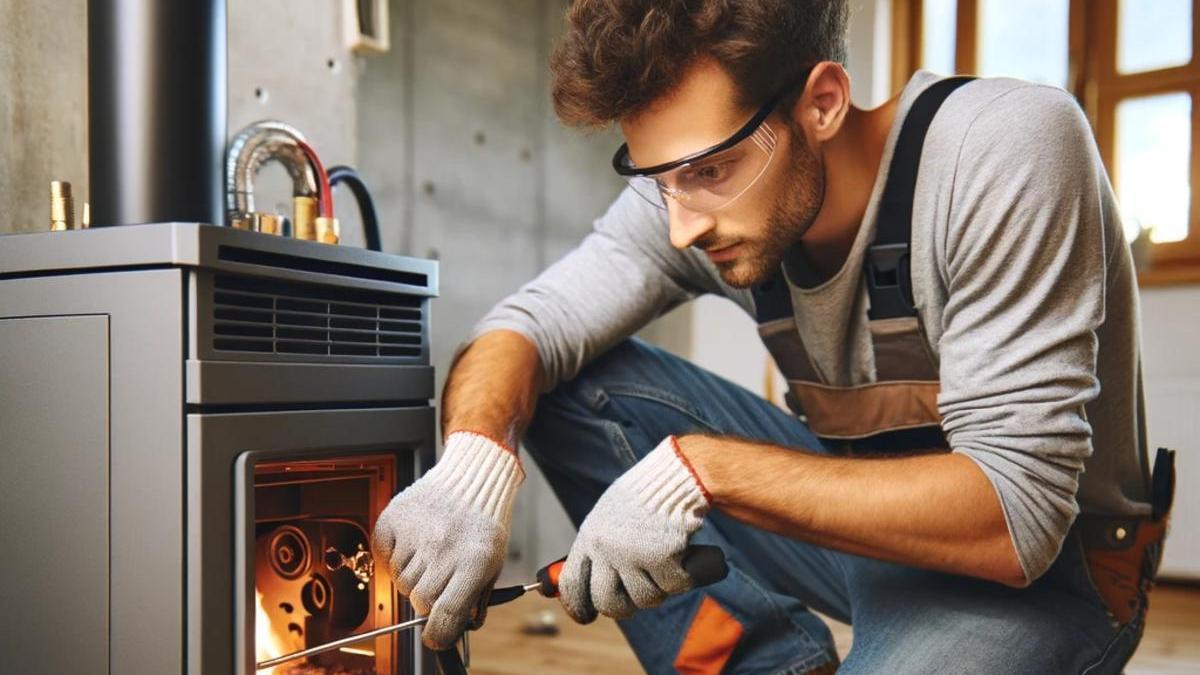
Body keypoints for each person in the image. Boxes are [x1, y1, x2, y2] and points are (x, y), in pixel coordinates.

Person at [372, 1, 1172, 672]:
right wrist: (476, 460)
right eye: (660, 179)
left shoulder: (1003, 147)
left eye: (710, 171)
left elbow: (1018, 518)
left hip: (1052, 573)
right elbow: (528, 325)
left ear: (821, 103)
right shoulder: (689, 197)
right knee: (566, 381)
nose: (681, 226)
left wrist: (701, 471)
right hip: (864, 532)